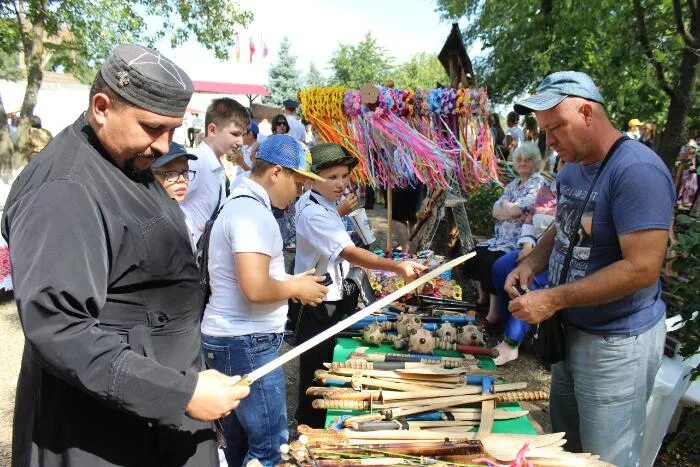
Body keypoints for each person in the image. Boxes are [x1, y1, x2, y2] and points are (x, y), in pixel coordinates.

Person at [3, 43, 249, 467]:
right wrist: (179, 394)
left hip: (159, 420)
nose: (162, 145)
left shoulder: (123, 157)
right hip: (103, 435)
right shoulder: (65, 190)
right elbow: (61, 331)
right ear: (101, 107)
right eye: (152, 127)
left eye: (172, 129)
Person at [506, 71, 674, 466]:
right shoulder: (572, 167)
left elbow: (641, 268)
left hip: (617, 343)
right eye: (544, 131)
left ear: (586, 112)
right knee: (569, 449)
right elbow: (561, 229)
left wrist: (553, 298)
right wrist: (532, 261)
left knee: (606, 457)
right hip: (572, 331)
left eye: (555, 128)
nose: (549, 141)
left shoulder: (636, 171)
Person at [201, 134, 328, 466]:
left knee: (238, 444)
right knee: (270, 448)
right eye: (299, 182)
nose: (301, 191)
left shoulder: (245, 204)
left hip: (237, 339)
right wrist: (296, 290)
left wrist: (290, 281)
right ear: (276, 173)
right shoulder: (250, 213)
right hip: (246, 342)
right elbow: (254, 288)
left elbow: (249, 277)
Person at [293, 142, 427, 427]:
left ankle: (323, 418)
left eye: (345, 175)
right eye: (332, 177)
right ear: (313, 179)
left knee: (331, 363)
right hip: (318, 300)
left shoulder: (325, 204)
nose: (341, 183)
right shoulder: (311, 210)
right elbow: (348, 251)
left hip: (334, 293)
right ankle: (309, 426)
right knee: (316, 368)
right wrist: (397, 266)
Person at [490, 157, 565, 365]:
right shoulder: (547, 190)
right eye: (562, 163)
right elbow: (530, 222)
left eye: (569, 163)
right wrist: (527, 245)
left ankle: (511, 342)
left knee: (529, 279)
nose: (566, 168)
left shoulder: (579, 193)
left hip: (560, 256)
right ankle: (511, 327)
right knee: (501, 266)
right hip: (534, 247)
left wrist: (535, 257)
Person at [462, 143, 544, 324]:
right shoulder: (514, 183)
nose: (522, 163)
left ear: (535, 163)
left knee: (494, 260)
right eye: (519, 160)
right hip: (500, 237)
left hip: (518, 239)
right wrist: (510, 208)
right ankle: (482, 299)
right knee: (474, 254)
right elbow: (495, 211)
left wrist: (506, 206)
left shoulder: (537, 183)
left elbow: (514, 210)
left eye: (527, 160)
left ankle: (494, 314)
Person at [181, 98, 248, 243]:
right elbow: (171, 204)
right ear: (212, 130)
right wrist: (190, 230)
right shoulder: (197, 162)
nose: (241, 142)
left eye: (242, 135)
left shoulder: (215, 164)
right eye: (235, 134)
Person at [151, 142, 199, 249]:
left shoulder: (184, 213)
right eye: (172, 174)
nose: (182, 180)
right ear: (151, 175)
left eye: (185, 172)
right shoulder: (149, 222)